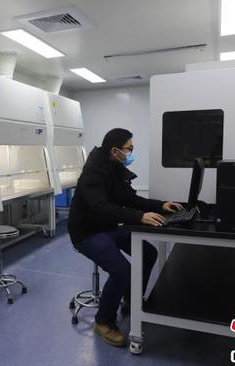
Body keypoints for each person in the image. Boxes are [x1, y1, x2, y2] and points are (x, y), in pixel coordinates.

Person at [68, 128, 183, 347]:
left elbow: (130, 198)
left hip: (106, 227)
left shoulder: (113, 167)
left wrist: (160, 205)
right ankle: (103, 322)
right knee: (121, 270)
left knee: (149, 253)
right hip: (87, 233)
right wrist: (140, 217)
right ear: (114, 151)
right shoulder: (94, 172)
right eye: (129, 149)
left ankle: (130, 298)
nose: (131, 153)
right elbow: (101, 208)